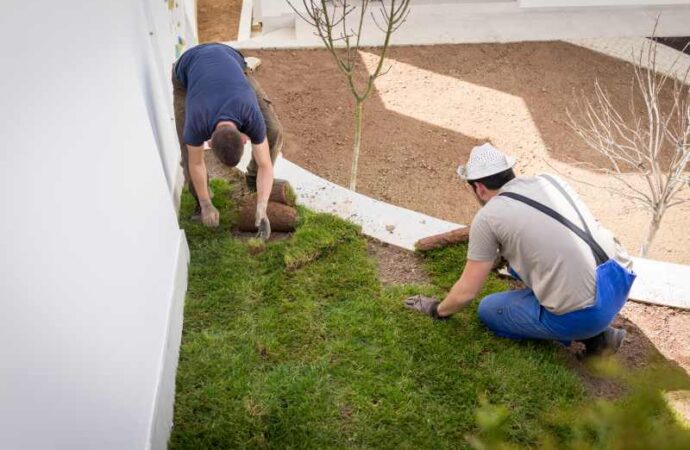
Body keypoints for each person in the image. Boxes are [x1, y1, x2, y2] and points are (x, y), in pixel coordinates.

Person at [405, 143, 636, 357]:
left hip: (586, 313)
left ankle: (597, 338)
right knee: (528, 265)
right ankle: (598, 330)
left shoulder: (487, 217)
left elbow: (466, 293)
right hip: (620, 279)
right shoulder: (549, 181)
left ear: (479, 188)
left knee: (489, 309)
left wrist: (437, 309)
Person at [172, 43, 284, 239]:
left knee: (273, 129)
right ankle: (202, 204)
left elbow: (265, 164)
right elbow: (196, 162)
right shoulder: (197, 122)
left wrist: (262, 207)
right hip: (187, 69)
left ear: (243, 137)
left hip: (229, 59)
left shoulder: (250, 115)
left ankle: (252, 182)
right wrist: (206, 203)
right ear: (208, 144)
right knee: (188, 150)